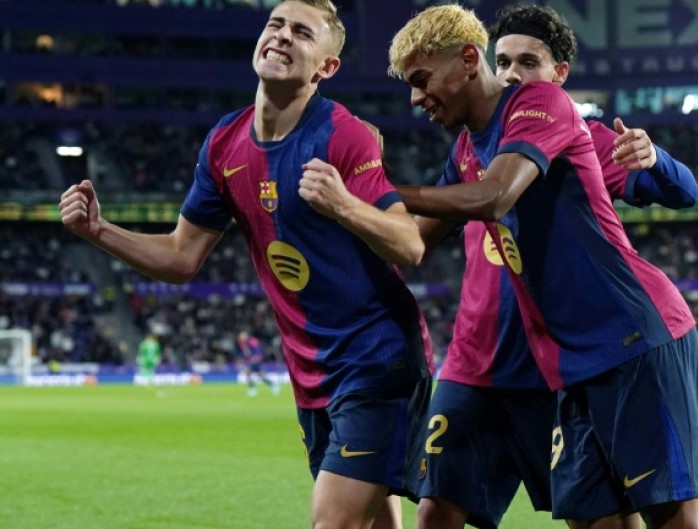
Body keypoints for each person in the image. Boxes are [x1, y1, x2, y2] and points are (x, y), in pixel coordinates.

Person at [58, 1, 434, 528]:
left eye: (301, 32)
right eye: (275, 24)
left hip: (377, 359)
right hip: (312, 370)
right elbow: (182, 256)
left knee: (334, 521)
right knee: (372, 522)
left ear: (326, 68)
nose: (281, 36)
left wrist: (343, 203)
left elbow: (410, 244)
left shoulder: (341, 135)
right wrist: (98, 231)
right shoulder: (223, 144)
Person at [388, 5, 698, 529]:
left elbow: (681, 191)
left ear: (558, 75)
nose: (512, 74)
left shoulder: (557, 115)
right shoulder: (467, 148)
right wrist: (337, 208)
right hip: (555, 360)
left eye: (527, 62)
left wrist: (656, 159)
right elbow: (412, 240)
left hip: (626, 339)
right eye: (504, 60)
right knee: (586, 516)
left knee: (665, 515)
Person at [236, 331, 281, 397]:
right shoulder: (242, 344)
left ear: (245, 335)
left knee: (248, 373)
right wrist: (242, 359)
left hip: (256, 360)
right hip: (251, 360)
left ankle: (253, 389)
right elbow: (244, 353)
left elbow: (258, 349)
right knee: (260, 375)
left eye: (242, 336)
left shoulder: (252, 341)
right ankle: (272, 385)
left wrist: (257, 357)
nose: (241, 338)